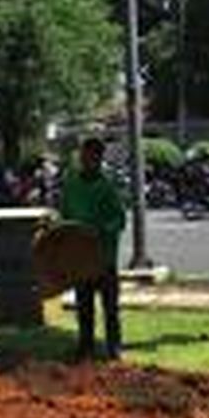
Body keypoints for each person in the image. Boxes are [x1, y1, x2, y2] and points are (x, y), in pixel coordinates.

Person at [59, 137, 127, 361]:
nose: (86, 160)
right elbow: (64, 214)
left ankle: (113, 347)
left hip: (103, 258)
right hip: (80, 259)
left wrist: (101, 230)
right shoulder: (71, 183)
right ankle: (84, 347)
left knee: (110, 308)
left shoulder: (107, 186)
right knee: (84, 306)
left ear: (99, 159)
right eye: (84, 156)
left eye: (91, 157)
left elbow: (120, 219)